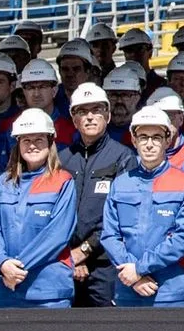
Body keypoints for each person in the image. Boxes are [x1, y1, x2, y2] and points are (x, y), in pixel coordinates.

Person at [102, 106, 184, 307]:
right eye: (143, 137)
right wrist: (134, 276)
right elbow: (110, 235)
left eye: (156, 137)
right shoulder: (121, 184)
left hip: (169, 291)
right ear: (134, 140)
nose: (149, 144)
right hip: (127, 288)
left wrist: (139, 268)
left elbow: (183, 237)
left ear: (167, 140)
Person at [0, 110, 77, 309]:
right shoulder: (3, 182)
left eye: (39, 139)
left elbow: (57, 235)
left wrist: (17, 269)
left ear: (50, 141)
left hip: (48, 291)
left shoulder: (62, 181)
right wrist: (1, 264)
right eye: (26, 140)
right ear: (18, 143)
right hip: (6, 288)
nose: (32, 145)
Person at [57, 82, 134, 308]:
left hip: (106, 266)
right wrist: (70, 255)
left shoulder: (123, 157)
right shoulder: (62, 159)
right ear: (73, 119)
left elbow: (120, 218)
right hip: (67, 262)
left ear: (108, 116)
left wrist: (84, 250)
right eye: (82, 111)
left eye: (96, 110)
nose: (90, 117)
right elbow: (55, 214)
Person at [19, 60, 69, 146]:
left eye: (43, 87)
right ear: (24, 92)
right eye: (30, 88)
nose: (36, 94)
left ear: (54, 90)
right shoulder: (15, 128)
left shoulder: (70, 127)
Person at [103, 64, 146, 144]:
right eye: (113, 95)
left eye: (125, 95)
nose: (119, 101)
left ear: (137, 97)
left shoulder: (147, 129)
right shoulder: (96, 131)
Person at [117, 30, 166, 98]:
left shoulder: (162, 85)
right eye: (129, 50)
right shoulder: (118, 86)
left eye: (139, 49)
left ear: (150, 52)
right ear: (125, 55)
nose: (134, 54)